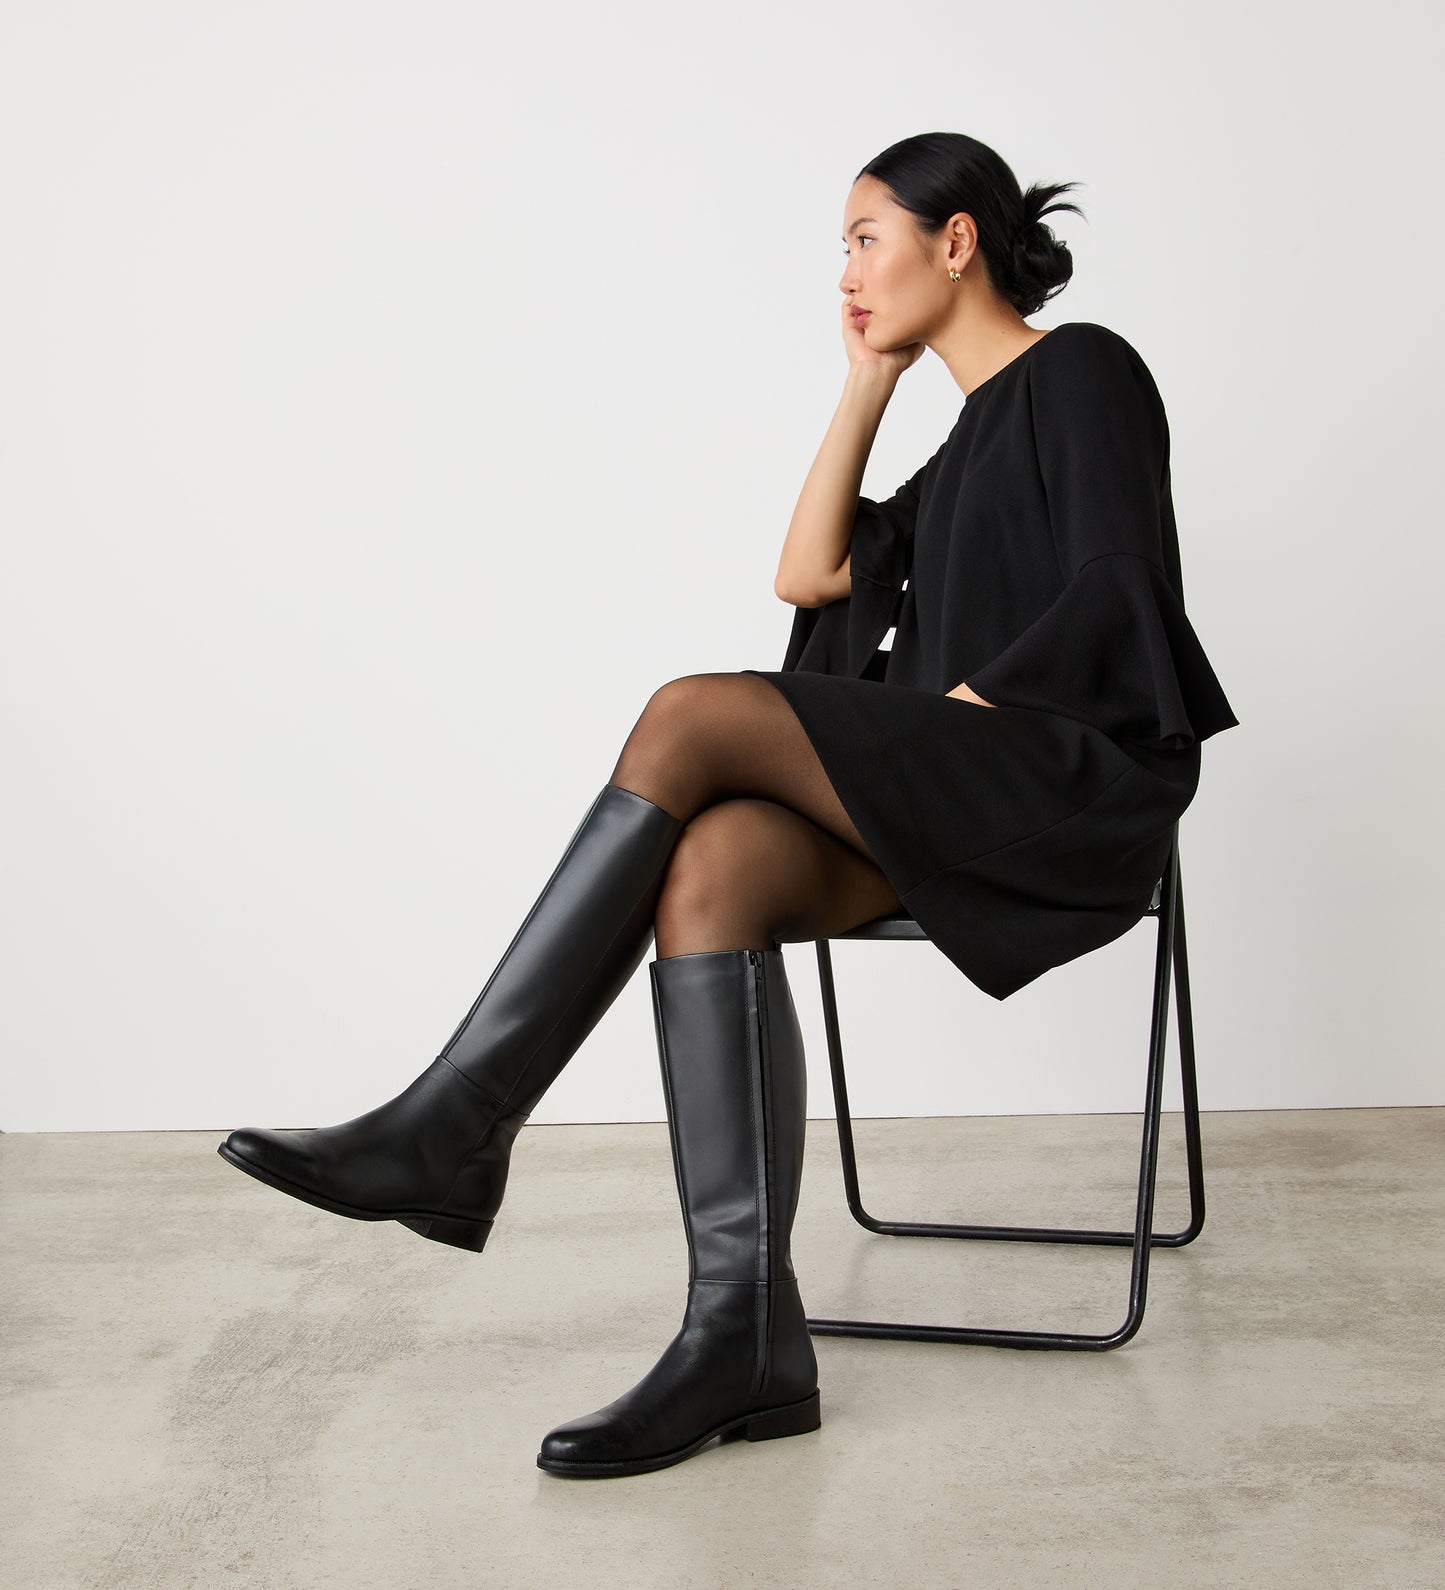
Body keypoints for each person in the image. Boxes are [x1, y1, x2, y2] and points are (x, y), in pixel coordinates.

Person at [217, 131, 1239, 1480]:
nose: (847, 272)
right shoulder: (960, 443)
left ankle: (454, 1124)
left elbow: (1115, 584)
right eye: (839, 251)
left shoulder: (1086, 370)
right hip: (950, 791)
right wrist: (865, 383)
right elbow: (809, 569)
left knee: (693, 711)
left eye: (866, 237)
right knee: (712, 866)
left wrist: (952, 726)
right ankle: (742, 1336)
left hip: (1060, 787)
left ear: (957, 239)